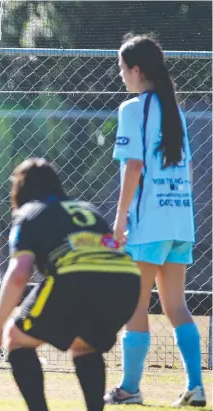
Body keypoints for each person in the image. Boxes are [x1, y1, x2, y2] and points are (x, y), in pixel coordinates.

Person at [0, 158, 141, 411]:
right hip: (127, 282)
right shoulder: (87, 208)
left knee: (15, 338)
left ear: (20, 189)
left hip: (77, 276)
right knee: (84, 345)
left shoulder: (29, 212)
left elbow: (19, 273)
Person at [103, 34, 206, 407]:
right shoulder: (173, 110)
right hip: (180, 222)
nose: (120, 76)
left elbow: (133, 165)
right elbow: (189, 168)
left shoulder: (133, 110)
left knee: (137, 304)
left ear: (136, 70)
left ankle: (129, 388)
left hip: (149, 224)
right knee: (176, 306)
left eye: (121, 68)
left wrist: (119, 221)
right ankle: (196, 386)